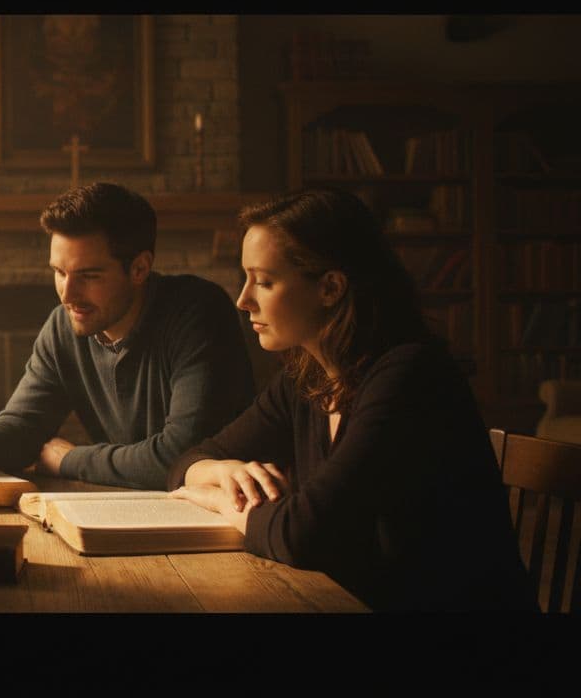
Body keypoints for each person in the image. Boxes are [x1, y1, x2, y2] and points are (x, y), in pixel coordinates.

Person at [167, 188, 536, 611]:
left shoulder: (411, 375)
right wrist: (219, 469)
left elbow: (304, 534)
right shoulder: (305, 378)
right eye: (246, 277)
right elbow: (185, 463)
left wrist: (216, 498)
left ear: (330, 288)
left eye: (264, 281)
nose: (243, 299)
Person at [0, 182, 255, 489]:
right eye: (59, 272)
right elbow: (24, 427)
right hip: (128, 504)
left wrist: (70, 459)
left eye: (88, 276)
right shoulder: (62, 327)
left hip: (224, 513)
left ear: (139, 268)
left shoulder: (198, 313)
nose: (67, 294)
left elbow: (184, 457)